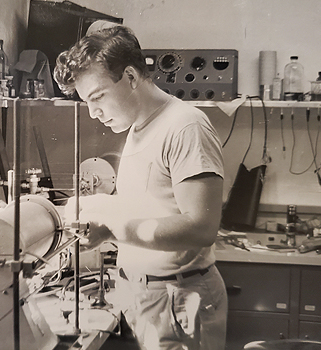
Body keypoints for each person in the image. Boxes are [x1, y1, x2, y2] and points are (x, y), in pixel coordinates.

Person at [54, 25, 227, 350]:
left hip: (179, 301)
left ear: (131, 77)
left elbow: (202, 228)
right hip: (147, 296)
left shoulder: (184, 126)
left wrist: (109, 230)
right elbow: (155, 207)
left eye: (98, 97)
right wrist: (100, 207)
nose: (93, 113)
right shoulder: (139, 128)